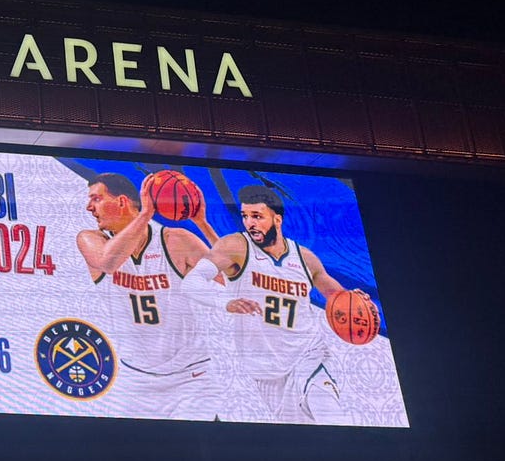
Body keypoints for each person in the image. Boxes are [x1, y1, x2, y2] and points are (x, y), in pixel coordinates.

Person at [184, 184, 355, 423]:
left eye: (257, 216)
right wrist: (225, 301)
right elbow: (191, 282)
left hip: (308, 355)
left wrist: (357, 301)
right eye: (245, 216)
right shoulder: (235, 246)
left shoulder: (305, 258)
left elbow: (340, 298)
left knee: (333, 419)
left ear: (277, 219)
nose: (249, 223)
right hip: (267, 372)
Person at [75, 172, 222, 419]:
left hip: (190, 378)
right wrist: (145, 214)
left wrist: (202, 224)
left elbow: (232, 280)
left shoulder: (176, 241)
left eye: (96, 199)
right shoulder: (90, 240)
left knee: (197, 442)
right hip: (135, 380)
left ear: (122, 201)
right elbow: (108, 263)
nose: (89, 207)